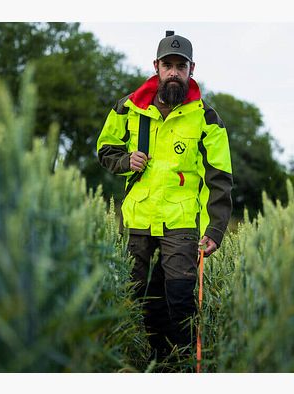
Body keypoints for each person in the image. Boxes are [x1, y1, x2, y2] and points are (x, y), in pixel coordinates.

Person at [96, 31, 233, 364]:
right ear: (156, 66)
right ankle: (157, 364)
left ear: (191, 69)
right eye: (168, 65)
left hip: (181, 222)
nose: (174, 72)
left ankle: (184, 363)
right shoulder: (127, 108)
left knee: (180, 298)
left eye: (181, 66)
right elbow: (105, 148)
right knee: (142, 297)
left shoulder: (207, 119)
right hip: (139, 220)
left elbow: (221, 178)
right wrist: (125, 161)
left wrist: (215, 230)